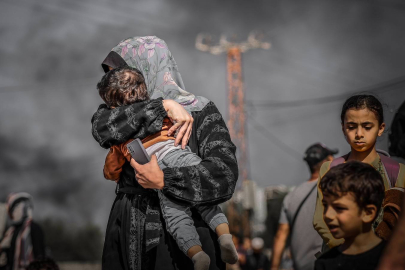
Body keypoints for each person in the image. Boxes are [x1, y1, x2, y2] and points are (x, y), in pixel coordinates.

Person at [91, 36, 238, 270]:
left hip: (183, 243)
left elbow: (224, 176)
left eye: (118, 76)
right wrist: (163, 106)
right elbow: (102, 129)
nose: (113, 84)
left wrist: (165, 180)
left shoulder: (201, 110)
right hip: (128, 231)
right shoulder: (115, 114)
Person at [313, 94, 405, 250]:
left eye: (367, 127)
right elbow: (320, 220)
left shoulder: (396, 171)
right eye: (351, 126)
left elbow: (397, 220)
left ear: (380, 128)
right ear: (343, 128)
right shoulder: (329, 169)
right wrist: (349, 251)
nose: (359, 134)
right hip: (338, 259)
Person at [271, 143, 337, 270]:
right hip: (328, 263)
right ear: (327, 161)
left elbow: (281, 235)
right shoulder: (334, 188)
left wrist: (274, 267)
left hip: (300, 266)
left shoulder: (291, 196)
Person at [314, 161, 386, 270]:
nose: (327, 215)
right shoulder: (325, 263)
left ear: (368, 213)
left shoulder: (392, 258)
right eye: (325, 205)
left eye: (339, 208)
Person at [0, 193, 45, 270]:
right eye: (12, 210)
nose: (14, 213)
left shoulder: (34, 228)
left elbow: (39, 254)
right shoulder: (11, 232)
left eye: (17, 208)